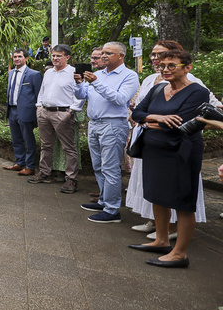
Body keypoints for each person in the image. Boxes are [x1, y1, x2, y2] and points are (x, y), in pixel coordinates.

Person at [126, 40, 216, 235]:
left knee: (180, 196)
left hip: (179, 149)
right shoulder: (155, 84)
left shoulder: (196, 87)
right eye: (159, 61)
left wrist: (152, 122)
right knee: (155, 193)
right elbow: (138, 111)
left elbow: (181, 122)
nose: (159, 63)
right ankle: (158, 232)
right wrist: (154, 118)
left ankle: (176, 239)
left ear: (185, 66)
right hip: (153, 148)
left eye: (168, 62)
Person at [74, 41, 139, 223]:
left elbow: (120, 100)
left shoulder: (129, 76)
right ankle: (104, 200)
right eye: (102, 53)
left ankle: (112, 210)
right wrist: (79, 84)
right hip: (94, 123)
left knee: (110, 168)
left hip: (113, 124)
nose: (103, 56)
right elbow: (81, 95)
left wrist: (96, 84)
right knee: (98, 165)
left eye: (108, 53)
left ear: (121, 56)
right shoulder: (98, 74)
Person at [27, 44, 84, 192]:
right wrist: (39, 107)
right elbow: (42, 91)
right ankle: (45, 173)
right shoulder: (48, 72)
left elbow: (81, 94)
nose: (55, 58)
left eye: (59, 56)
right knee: (46, 145)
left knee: (69, 148)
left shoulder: (73, 73)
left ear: (67, 57)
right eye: (53, 55)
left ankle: (71, 179)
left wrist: (71, 111)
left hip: (63, 113)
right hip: (44, 112)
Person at [3, 49, 42, 175]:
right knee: (16, 139)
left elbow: (39, 95)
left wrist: (37, 112)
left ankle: (30, 166)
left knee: (28, 140)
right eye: (15, 57)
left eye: (19, 56)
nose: (16, 59)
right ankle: (20, 163)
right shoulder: (11, 73)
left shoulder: (33, 74)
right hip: (12, 110)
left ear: (26, 58)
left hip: (26, 111)